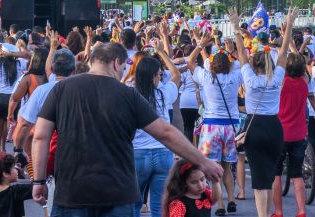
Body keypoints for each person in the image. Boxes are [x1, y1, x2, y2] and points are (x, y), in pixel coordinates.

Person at [31, 43, 223, 216]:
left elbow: (40, 137)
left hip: (71, 192)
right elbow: (165, 133)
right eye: (124, 67)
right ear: (116, 63)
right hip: (117, 193)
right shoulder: (128, 95)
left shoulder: (60, 89)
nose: (123, 72)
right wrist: (202, 161)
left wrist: (38, 181)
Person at [231, 8, 291, 217]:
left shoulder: (249, 78)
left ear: (253, 64)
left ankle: (262, 215)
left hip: (253, 126)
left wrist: (237, 28)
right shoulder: (276, 78)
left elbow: (240, 53)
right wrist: (289, 25)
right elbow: (283, 53)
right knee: (270, 175)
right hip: (274, 127)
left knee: (258, 177)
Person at [187, 32, 242, 216]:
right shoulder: (235, 76)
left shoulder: (206, 77)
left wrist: (200, 45)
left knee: (213, 167)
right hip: (231, 125)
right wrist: (231, 51)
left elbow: (190, 62)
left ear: (211, 64)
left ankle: (219, 206)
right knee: (227, 167)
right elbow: (241, 62)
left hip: (211, 125)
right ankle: (232, 199)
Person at [132, 50, 181, 217]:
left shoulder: (131, 95)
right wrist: (161, 51)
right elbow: (176, 74)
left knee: (134, 204)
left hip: (137, 154)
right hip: (162, 153)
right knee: (160, 206)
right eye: (159, 74)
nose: (160, 77)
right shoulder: (164, 94)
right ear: (154, 76)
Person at [272, 14, 309, 217]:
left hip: (280, 133)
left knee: (276, 174)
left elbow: (283, 55)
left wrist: (285, 33)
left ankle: (278, 211)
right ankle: (301, 210)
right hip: (299, 133)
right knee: (297, 175)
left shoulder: (282, 82)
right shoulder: (304, 81)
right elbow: (298, 61)